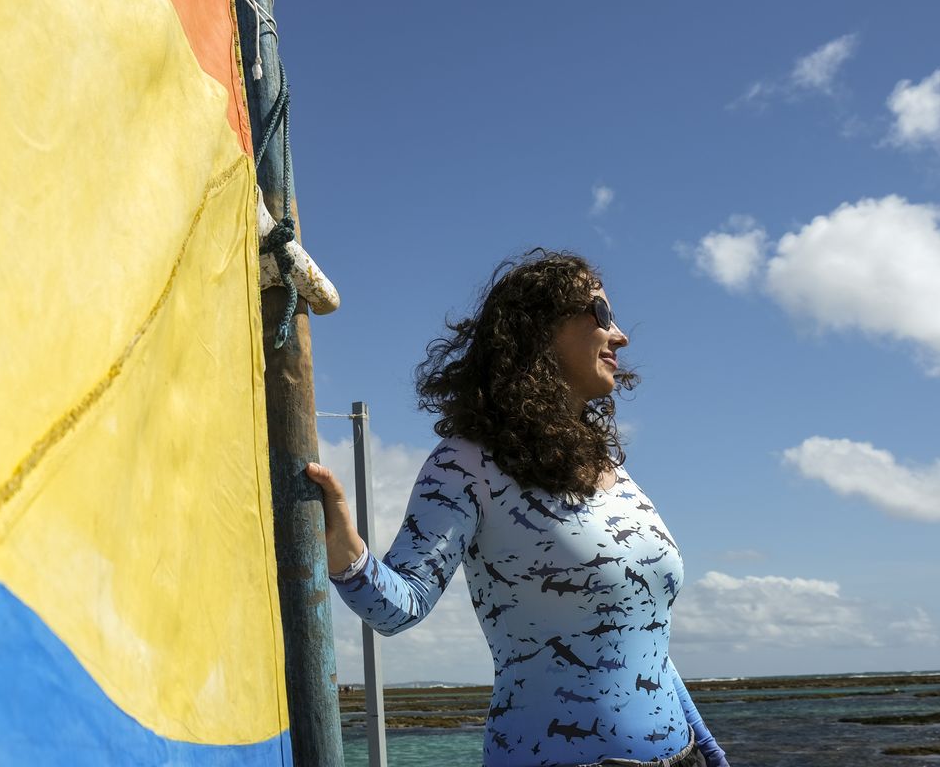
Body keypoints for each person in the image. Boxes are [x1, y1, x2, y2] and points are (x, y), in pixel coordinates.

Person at [307, 250, 729, 767]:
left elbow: (648, 645)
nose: (620, 336)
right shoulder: (467, 463)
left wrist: (711, 751)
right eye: (600, 313)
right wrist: (345, 552)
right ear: (537, 329)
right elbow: (400, 607)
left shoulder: (615, 474)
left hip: (683, 758)